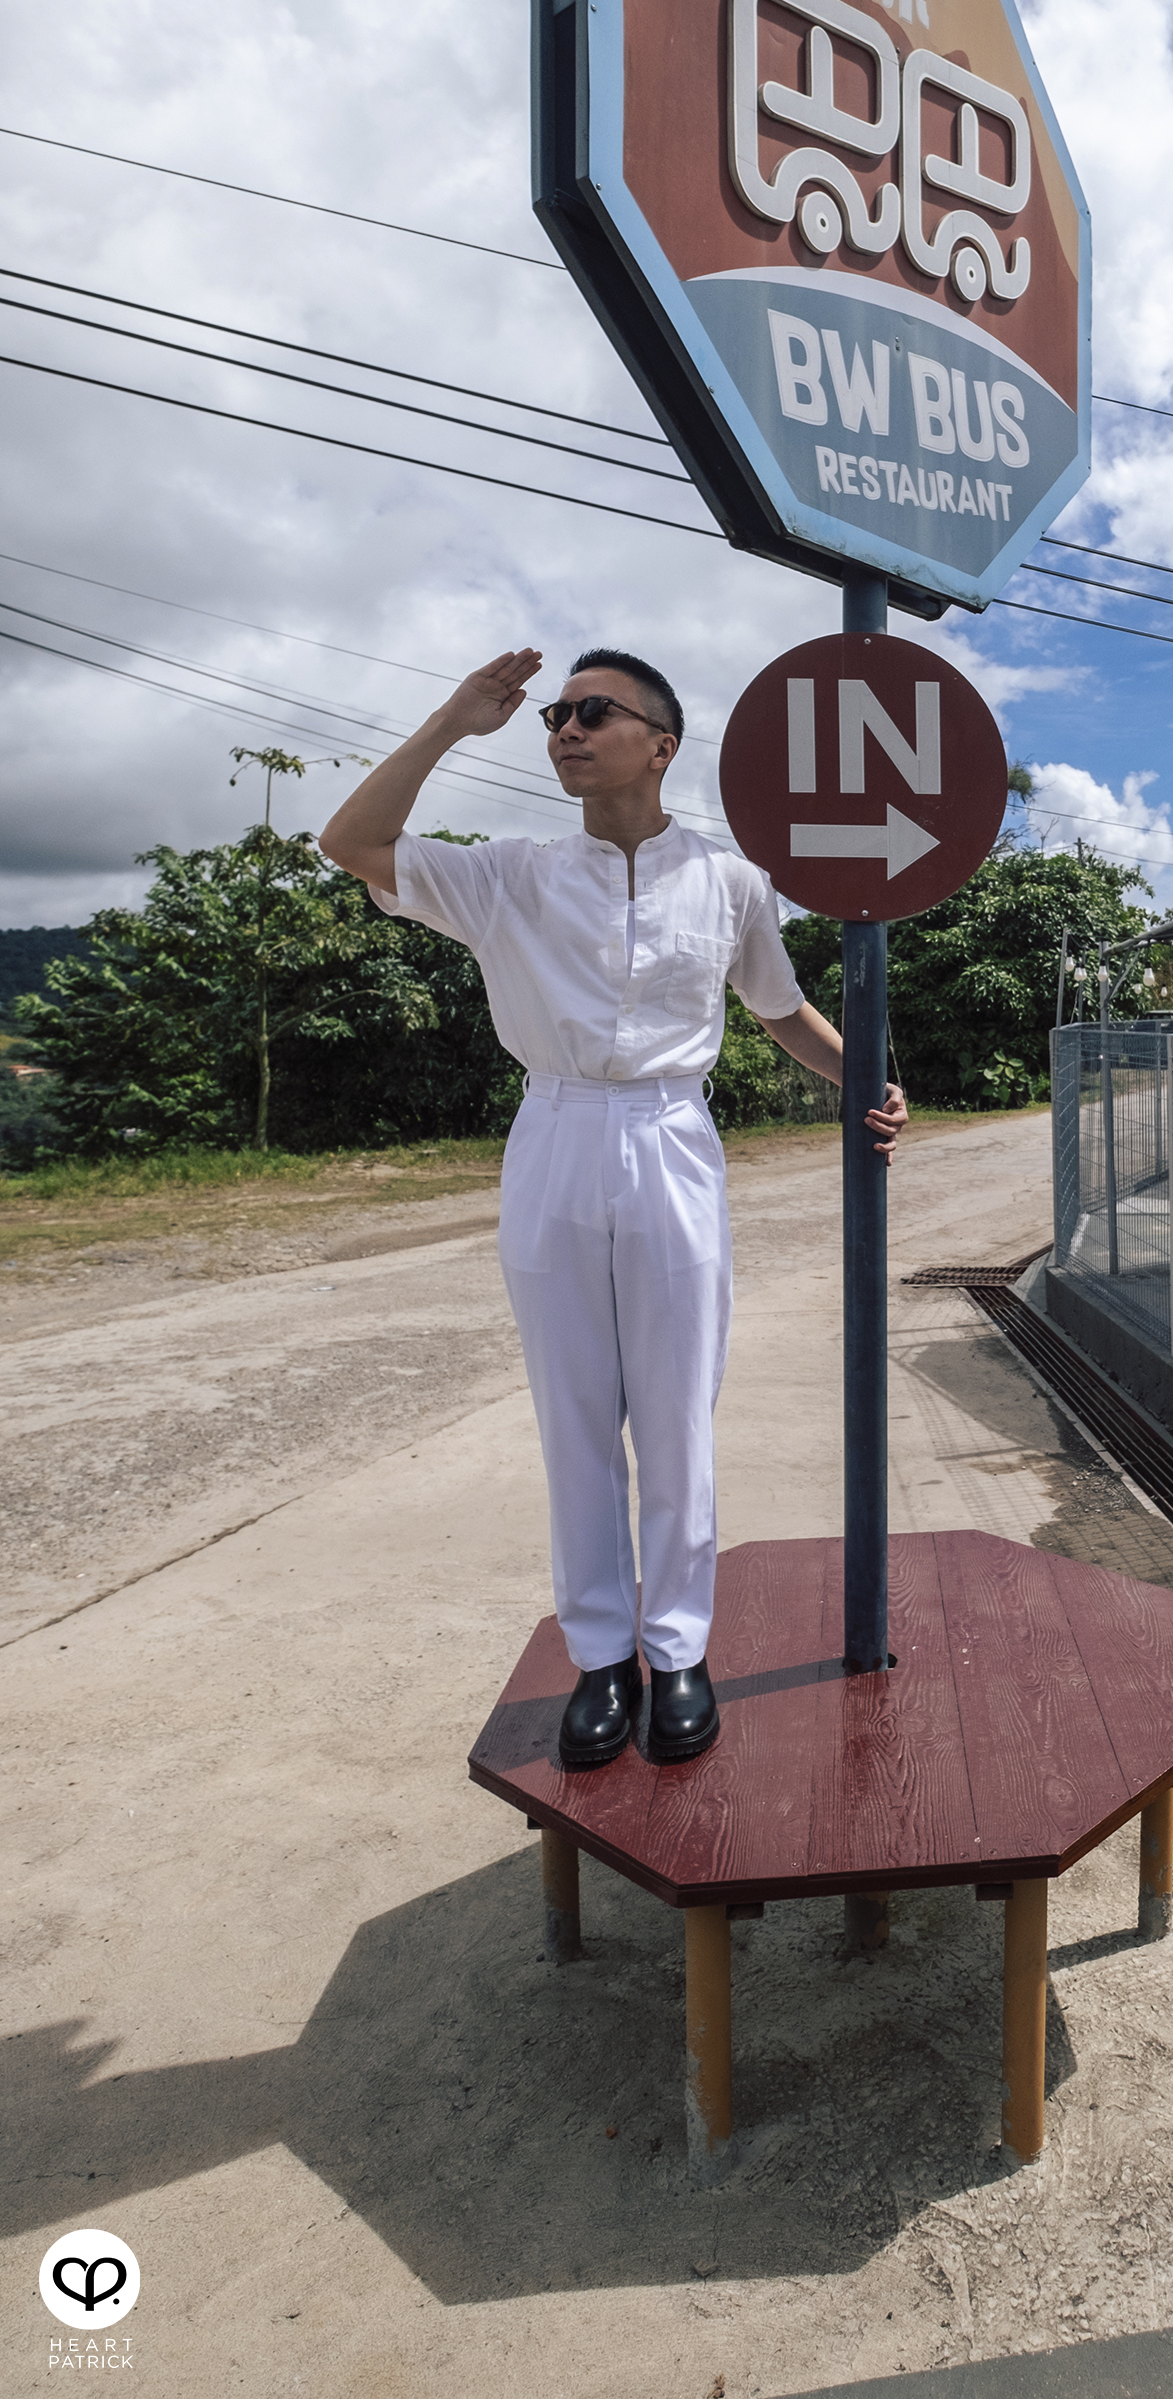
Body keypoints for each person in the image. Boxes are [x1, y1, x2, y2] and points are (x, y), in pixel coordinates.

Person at [318, 646, 906, 1771]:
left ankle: (677, 1649)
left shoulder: (729, 880)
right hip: (553, 1130)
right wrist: (453, 719)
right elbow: (354, 844)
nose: (563, 730)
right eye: (554, 715)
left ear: (661, 743)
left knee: (679, 1409)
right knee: (574, 1413)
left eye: (592, 712)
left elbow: (778, 1011)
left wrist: (868, 1079)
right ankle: (600, 1656)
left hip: (673, 1137)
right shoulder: (507, 873)